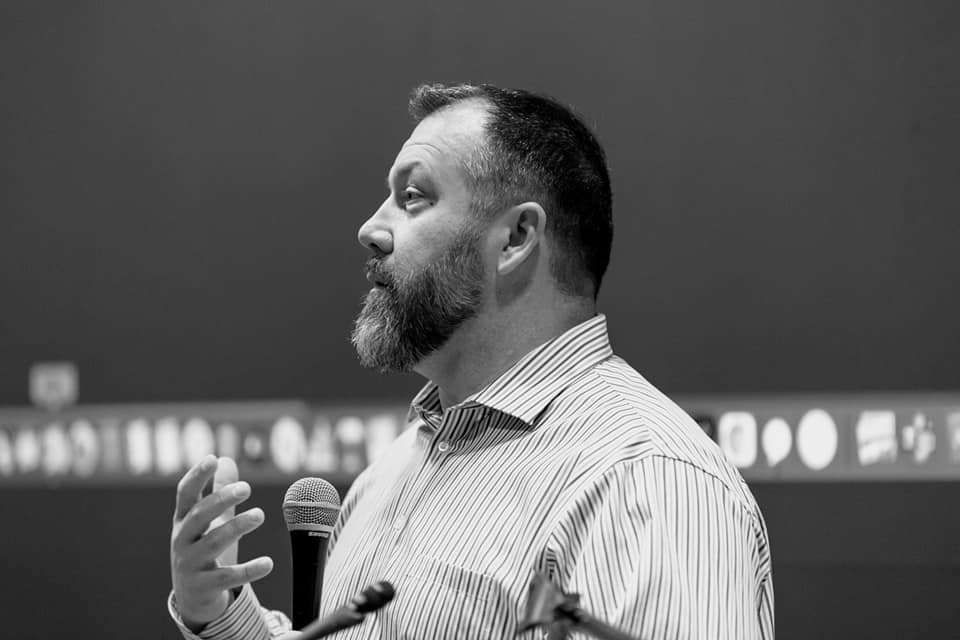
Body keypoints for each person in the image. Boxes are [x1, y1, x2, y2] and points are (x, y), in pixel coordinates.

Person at [169, 83, 774, 639]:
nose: (370, 230)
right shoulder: (392, 472)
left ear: (515, 239)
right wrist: (219, 613)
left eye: (412, 198)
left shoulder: (643, 480)